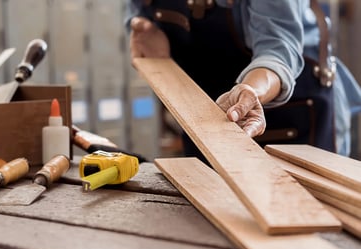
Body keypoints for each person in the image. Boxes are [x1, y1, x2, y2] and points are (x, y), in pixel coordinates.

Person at [124, 0, 361, 161]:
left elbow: (277, 50)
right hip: (210, 107)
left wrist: (251, 92)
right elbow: (136, 9)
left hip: (288, 103)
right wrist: (142, 27)